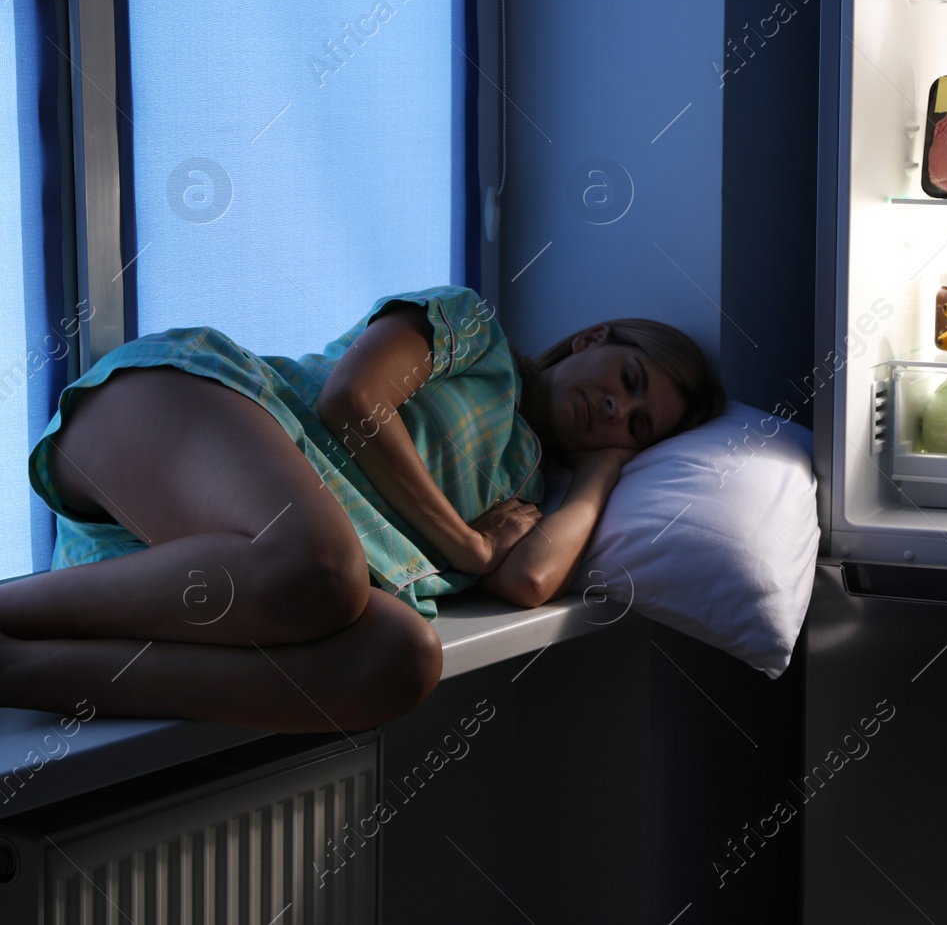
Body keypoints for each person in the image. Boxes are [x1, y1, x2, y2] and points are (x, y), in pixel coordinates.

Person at [0, 285, 724, 734]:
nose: (615, 407)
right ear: (594, 336)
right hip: (178, 410)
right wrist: (471, 550)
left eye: (638, 424)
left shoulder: (526, 491)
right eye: (628, 379)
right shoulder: (476, 331)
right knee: (325, 567)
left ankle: (20, 669)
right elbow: (352, 401)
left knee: (404, 657)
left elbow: (531, 580)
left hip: (220, 561)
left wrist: (601, 469)